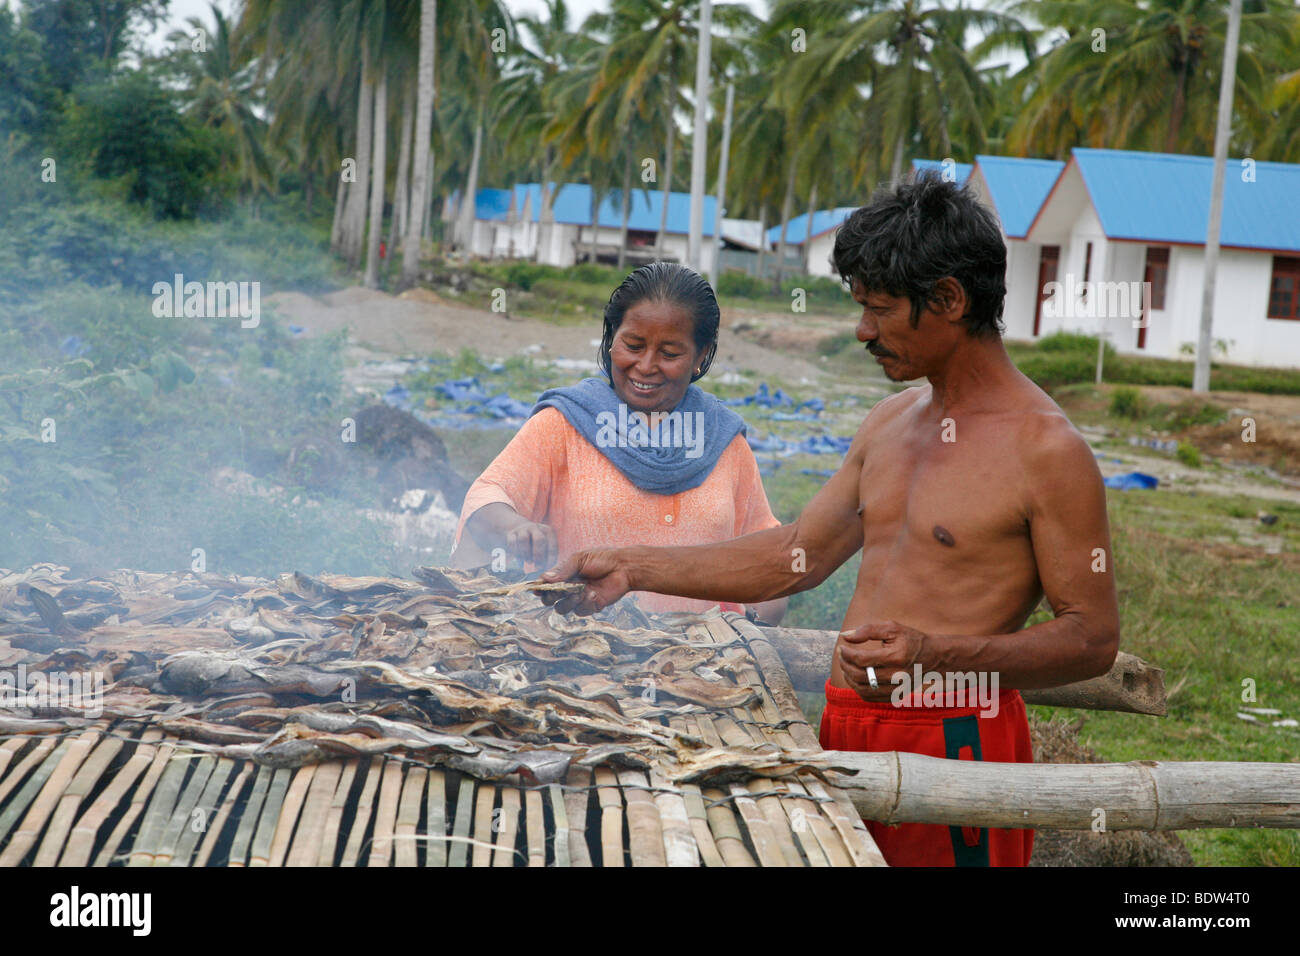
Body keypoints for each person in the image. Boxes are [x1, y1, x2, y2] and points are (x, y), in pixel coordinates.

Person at [538, 175, 1120, 867]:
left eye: (879, 309)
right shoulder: (891, 422)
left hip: (955, 729)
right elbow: (797, 555)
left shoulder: (1047, 450)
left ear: (950, 300)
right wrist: (633, 567)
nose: (862, 331)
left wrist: (935, 653)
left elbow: (1092, 640)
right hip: (846, 726)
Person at [451, 262, 787, 623]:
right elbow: (487, 500)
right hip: (575, 658)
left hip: (697, 662)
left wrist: (750, 627)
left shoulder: (723, 441)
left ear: (700, 356)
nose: (645, 365)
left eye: (670, 353)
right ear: (611, 340)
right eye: (633, 345)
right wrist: (515, 527)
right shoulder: (563, 424)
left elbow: (768, 561)